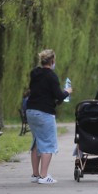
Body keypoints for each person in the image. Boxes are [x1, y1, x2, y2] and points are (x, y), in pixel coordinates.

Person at [25, 49, 72, 184]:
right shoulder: (51, 76)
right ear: (52, 61)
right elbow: (59, 95)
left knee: (36, 142)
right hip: (44, 112)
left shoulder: (34, 73)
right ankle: (44, 176)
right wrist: (67, 91)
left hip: (31, 111)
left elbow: (41, 90)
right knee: (48, 143)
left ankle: (35, 174)